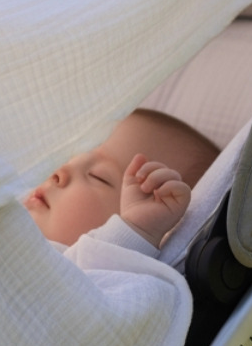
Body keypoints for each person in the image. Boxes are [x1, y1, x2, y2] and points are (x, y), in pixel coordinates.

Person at [24, 108, 219, 254]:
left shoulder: (73, 274)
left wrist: (136, 234)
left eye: (98, 177)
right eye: (69, 156)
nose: (59, 171)